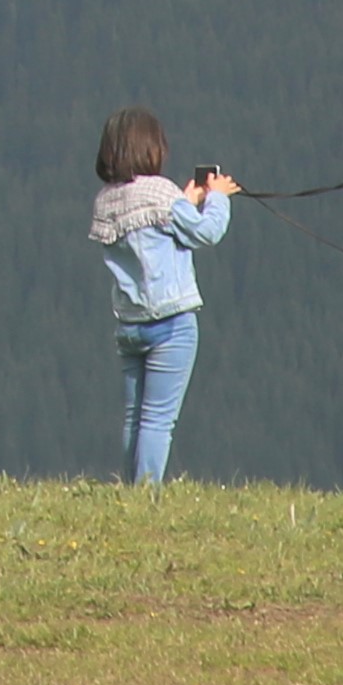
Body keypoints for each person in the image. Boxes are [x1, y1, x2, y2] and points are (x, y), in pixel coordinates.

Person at [88, 109, 237, 484]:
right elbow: (205, 232)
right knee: (158, 420)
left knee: (134, 417)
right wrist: (218, 198)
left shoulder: (105, 200)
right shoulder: (160, 191)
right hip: (171, 323)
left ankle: (130, 489)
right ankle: (146, 493)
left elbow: (152, 229)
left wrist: (185, 201)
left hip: (129, 323)